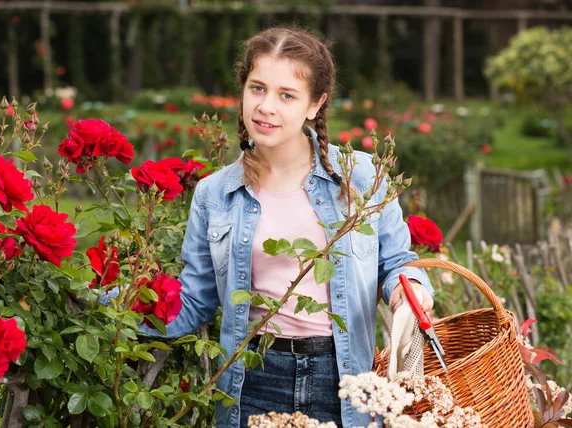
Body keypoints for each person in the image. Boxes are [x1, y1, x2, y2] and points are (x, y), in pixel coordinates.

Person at [137, 26, 434, 428]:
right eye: (257, 88)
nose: (266, 107)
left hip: (345, 382)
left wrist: (409, 286)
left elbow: (398, 260)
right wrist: (112, 309)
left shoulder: (361, 177)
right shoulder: (214, 194)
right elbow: (195, 300)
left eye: (287, 95)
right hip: (252, 379)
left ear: (316, 104)